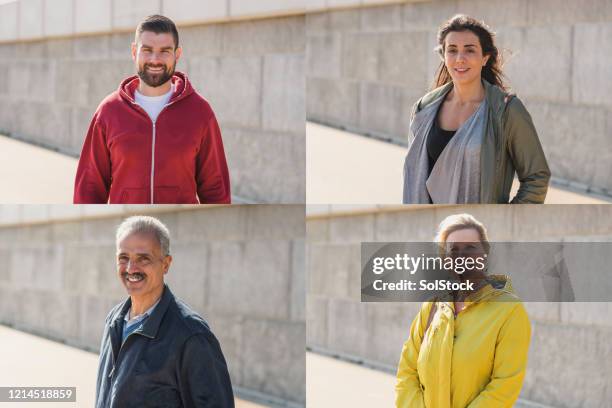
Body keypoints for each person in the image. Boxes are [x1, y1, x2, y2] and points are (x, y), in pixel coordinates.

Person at [74, 15, 230, 204]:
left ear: (177, 54)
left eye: (165, 51)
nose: (155, 60)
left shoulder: (200, 112)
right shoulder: (109, 111)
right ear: (134, 51)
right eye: (147, 50)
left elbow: (215, 188)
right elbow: (89, 188)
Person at [402, 14, 550, 204]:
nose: (460, 58)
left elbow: (536, 177)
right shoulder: (423, 109)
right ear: (443, 56)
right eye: (452, 50)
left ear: (485, 58)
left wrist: (501, 221)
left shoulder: (506, 111)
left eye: (470, 50)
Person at [96, 216, 234, 407]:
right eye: (123, 258)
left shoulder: (191, 336)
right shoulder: (114, 320)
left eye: (143, 258)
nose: (130, 268)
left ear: (166, 264)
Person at [395, 213, 531, 407]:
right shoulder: (432, 306)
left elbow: (505, 385)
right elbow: (407, 371)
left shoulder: (509, 311)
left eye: (470, 248)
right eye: (454, 249)